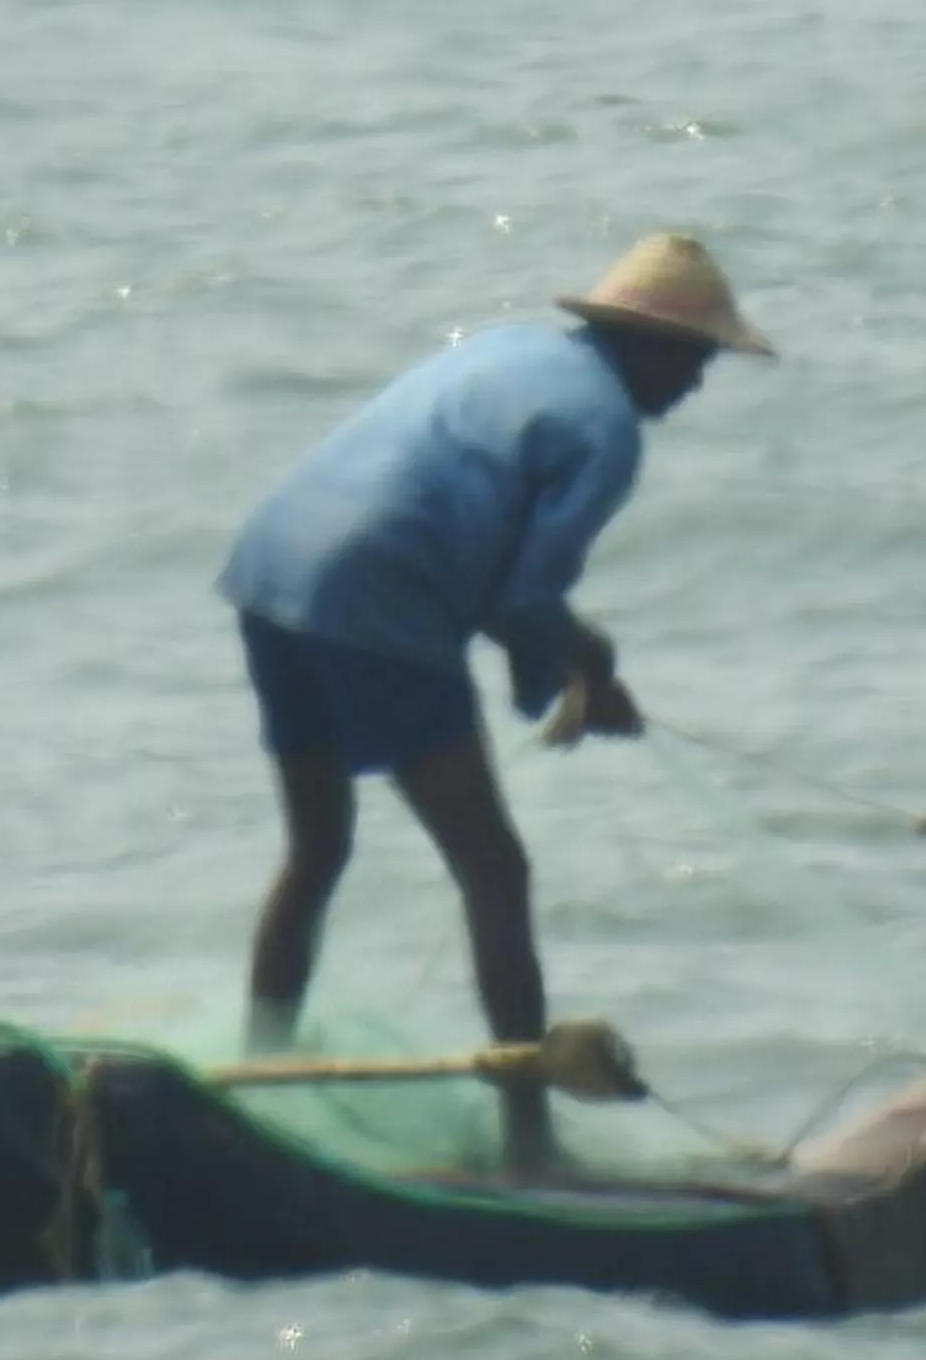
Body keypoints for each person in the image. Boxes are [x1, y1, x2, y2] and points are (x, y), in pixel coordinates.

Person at [217, 231, 776, 1168]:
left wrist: (576, 658)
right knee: (495, 871)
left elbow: (492, 568)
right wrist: (573, 677)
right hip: (377, 601)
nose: (694, 384)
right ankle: (529, 1139)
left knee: (317, 847)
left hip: (274, 568)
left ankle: (255, 1079)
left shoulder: (508, 349)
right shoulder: (607, 431)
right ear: (649, 347)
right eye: (692, 360)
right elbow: (520, 602)